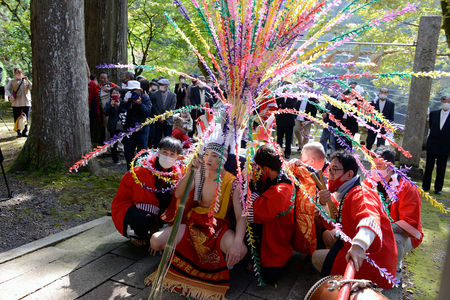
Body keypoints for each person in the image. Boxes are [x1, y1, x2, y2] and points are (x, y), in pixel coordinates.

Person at [148, 140, 247, 299]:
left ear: (223, 158)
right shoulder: (199, 172)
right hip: (193, 223)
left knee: (240, 250)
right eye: (206, 154)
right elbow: (179, 194)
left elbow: (240, 215)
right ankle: (193, 259)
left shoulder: (233, 182)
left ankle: (208, 263)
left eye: (214, 156)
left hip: (218, 226)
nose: (209, 159)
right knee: (154, 241)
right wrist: (190, 172)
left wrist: (237, 242)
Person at [311, 150, 397, 289]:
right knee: (327, 237)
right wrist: (322, 202)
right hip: (361, 249)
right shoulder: (345, 192)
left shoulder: (361, 193)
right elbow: (332, 220)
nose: (329, 174)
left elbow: (369, 218)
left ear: (349, 174)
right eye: (329, 169)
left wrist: (359, 245)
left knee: (316, 257)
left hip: (373, 258)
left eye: (335, 170)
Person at [111, 137, 183, 246]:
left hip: (156, 206)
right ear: (158, 152)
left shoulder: (176, 174)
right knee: (143, 218)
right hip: (133, 205)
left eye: (172, 154)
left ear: (178, 157)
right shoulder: (142, 171)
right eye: (164, 152)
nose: (167, 157)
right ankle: (138, 234)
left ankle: (153, 229)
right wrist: (154, 232)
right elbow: (142, 200)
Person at [247, 144, 295, 284]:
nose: (258, 170)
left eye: (260, 168)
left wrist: (249, 185)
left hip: (276, 239)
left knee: (269, 277)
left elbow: (256, 213)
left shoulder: (282, 190)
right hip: (269, 231)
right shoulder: (276, 173)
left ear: (266, 168)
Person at [369, 146, 423, 272]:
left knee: (395, 239)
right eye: (372, 166)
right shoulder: (370, 182)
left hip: (405, 234)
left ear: (390, 166)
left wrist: (384, 228)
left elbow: (410, 224)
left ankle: (394, 271)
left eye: (378, 166)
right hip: (378, 226)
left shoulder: (407, 188)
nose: (374, 170)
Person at [289, 142, 326, 255]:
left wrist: (304, 166)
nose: (299, 160)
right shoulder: (305, 172)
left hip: (321, 224)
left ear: (311, 162)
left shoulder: (325, 176)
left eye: (302, 157)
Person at [422, 95, 450, 195]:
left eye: (448, 101)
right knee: (429, 167)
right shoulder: (434, 114)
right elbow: (430, 127)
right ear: (441, 102)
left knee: (441, 168)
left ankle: (438, 188)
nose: (446, 103)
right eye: (444, 101)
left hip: (445, 146)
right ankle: (425, 186)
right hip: (432, 144)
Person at [122, 80, 152, 170]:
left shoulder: (145, 98)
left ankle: (140, 171)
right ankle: (129, 171)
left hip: (142, 130)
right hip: (129, 129)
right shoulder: (128, 98)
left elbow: (148, 112)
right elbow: (122, 110)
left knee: (142, 152)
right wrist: (125, 102)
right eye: (130, 90)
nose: (133, 92)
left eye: (134, 90)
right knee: (128, 152)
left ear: (139, 90)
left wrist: (140, 104)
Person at [5, 68, 32, 137]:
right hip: (16, 102)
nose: (18, 74)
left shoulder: (26, 80)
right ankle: (18, 132)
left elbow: (32, 87)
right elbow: (6, 89)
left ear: (22, 73)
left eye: (19, 73)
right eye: (17, 73)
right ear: (15, 74)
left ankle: (25, 131)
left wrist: (28, 80)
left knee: (26, 117)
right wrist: (10, 96)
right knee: (17, 118)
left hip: (26, 102)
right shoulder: (12, 81)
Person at [150, 78, 177, 146]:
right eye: (160, 85)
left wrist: (164, 116)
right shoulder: (154, 94)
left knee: (167, 139)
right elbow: (154, 107)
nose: (160, 86)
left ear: (166, 86)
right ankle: (156, 153)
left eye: (162, 85)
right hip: (157, 120)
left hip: (168, 120)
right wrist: (159, 116)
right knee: (157, 138)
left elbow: (172, 108)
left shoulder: (173, 95)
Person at [294, 81, 319, 151]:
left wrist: (312, 118)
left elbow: (315, 108)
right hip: (298, 116)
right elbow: (296, 104)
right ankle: (300, 144)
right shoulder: (301, 94)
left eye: (310, 86)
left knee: (306, 134)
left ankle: (304, 148)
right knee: (296, 130)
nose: (309, 87)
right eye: (308, 85)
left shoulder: (314, 96)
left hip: (308, 117)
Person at [319, 83, 344, 154]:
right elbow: (327, 109)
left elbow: (337, 111)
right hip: (327, 122)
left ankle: (333, 156)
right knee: (323, 140)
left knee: (332, 142)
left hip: (334, 123)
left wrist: (327, 114)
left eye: (332, 88)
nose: (330, 90)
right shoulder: (329, 98)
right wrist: (321, 110)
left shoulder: (339, 99)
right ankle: (323, 154)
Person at [275, 83, 297, 159]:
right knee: (279, 138)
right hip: (280, 119)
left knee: (288, 138)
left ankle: (287, 153)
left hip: (289, 120)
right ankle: (279, 152)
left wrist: (283, 105)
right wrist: (285, 105)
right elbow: (277, 104)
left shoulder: (294, 95)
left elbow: (292, 105)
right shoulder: (279, 95)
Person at [103, 87, 125, 164]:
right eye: (113, 93)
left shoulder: (123, 102)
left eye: (117, 93)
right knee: (114, 143)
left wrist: (119, 106)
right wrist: (111, 106)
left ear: (120, 94)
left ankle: (126, 157)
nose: (115, 94)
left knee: (125, 141)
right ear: (111, 94)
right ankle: (115, 159)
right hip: (113, 126)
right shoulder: (109, 103)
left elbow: (125, 111)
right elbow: (105, 112)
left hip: (123, 125)